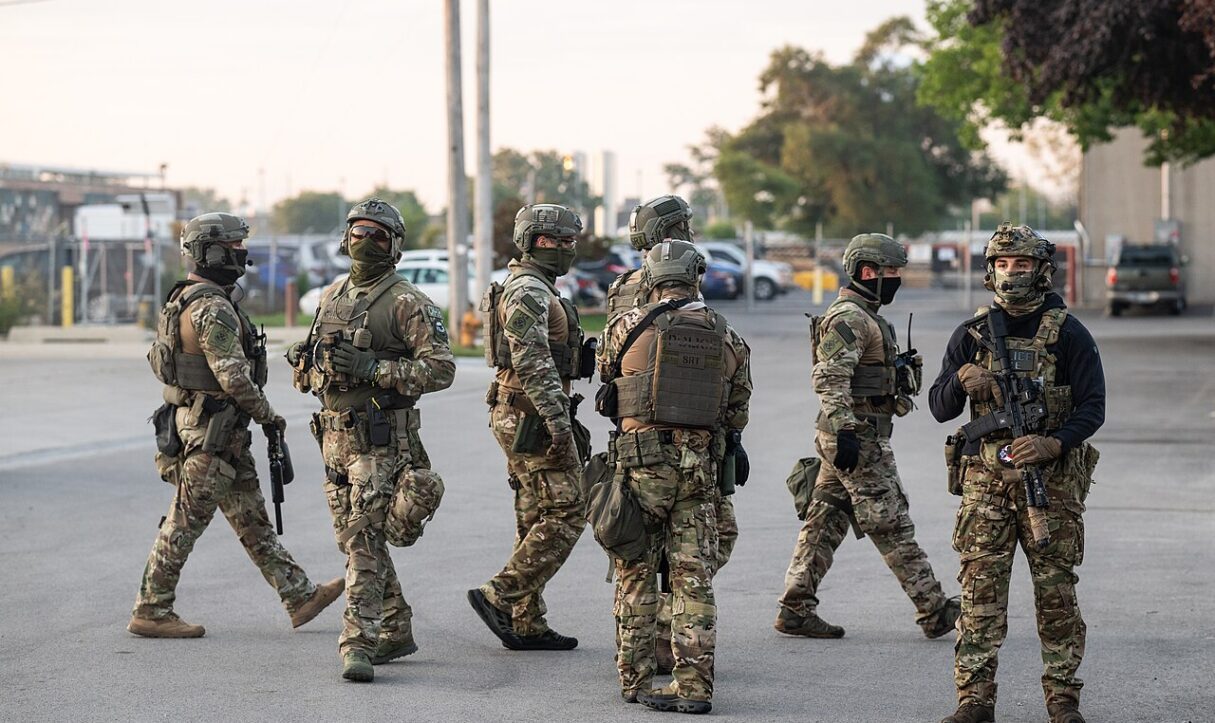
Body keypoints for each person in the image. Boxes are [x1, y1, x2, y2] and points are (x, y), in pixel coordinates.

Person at [131, 212, 343, 639]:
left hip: (215, 432)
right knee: (183, 523)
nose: (241, 255)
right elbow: (233, 378)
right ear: (211, 252)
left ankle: (299, 595)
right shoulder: (211, 308)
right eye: (233, 248)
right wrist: (270, 416)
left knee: (252, 521)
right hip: (210, 436)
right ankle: (151, 609)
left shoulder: (185, 298)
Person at [930, 223, 1104, 723]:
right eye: (1002, 265)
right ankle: (974, 701)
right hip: (984, 491)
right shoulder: (971, 334)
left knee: (1056, 597)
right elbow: (940, 408)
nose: (1011, 274)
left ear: (1041, 270)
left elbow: (1093, 408)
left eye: (1021, 264)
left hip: (1050, 489)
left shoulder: (1068, 333)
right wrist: (961, 379)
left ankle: (1063, 700)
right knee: (978, 595)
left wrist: (1053, 442)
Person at [289, 198, 455, 682]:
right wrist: (308, 361)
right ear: (345, 238)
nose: (366, 241)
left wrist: (375, 369)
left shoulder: (407, 301)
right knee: (356, 540)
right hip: (335, 440)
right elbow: (314, 367)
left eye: (378, 235)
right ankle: (396, 627)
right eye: (359, 232)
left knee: (363, 540)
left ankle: (357, 643)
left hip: (382, 441)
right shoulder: (332, 296)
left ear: (395, 246)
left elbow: (441, 368)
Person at [775, 233, 958, 640]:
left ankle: (795, 606)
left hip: (850, 434)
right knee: (890, 521)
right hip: (857, 436)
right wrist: (846, 431)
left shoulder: (867, 315)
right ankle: (934, 609)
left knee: (825, 519)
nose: (896, 279)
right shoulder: (851, 318)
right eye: (891, 271)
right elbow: (829, 377)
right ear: (868, 272)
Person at [597, 240, 751, 713]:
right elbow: (736, 407)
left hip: (642, 462)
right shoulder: (726, 335)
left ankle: (634, 679)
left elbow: (606, 375)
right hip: (699, 467)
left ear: (652, 277)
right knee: (693, 578)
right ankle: (695, 687)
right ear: (696, 276)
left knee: (635, 571)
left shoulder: (625, 325)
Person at [467, 203, 592, 651]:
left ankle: (526, 621)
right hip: (531, 415)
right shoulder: (529, 292)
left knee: (534, 513)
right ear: (532, 242)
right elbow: (531, 360)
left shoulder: (535, 287)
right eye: (556, 241)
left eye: (569, 241)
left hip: (523, 410)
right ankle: (499, 595)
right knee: (568, 512)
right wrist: (558, 423)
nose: (566, 249)